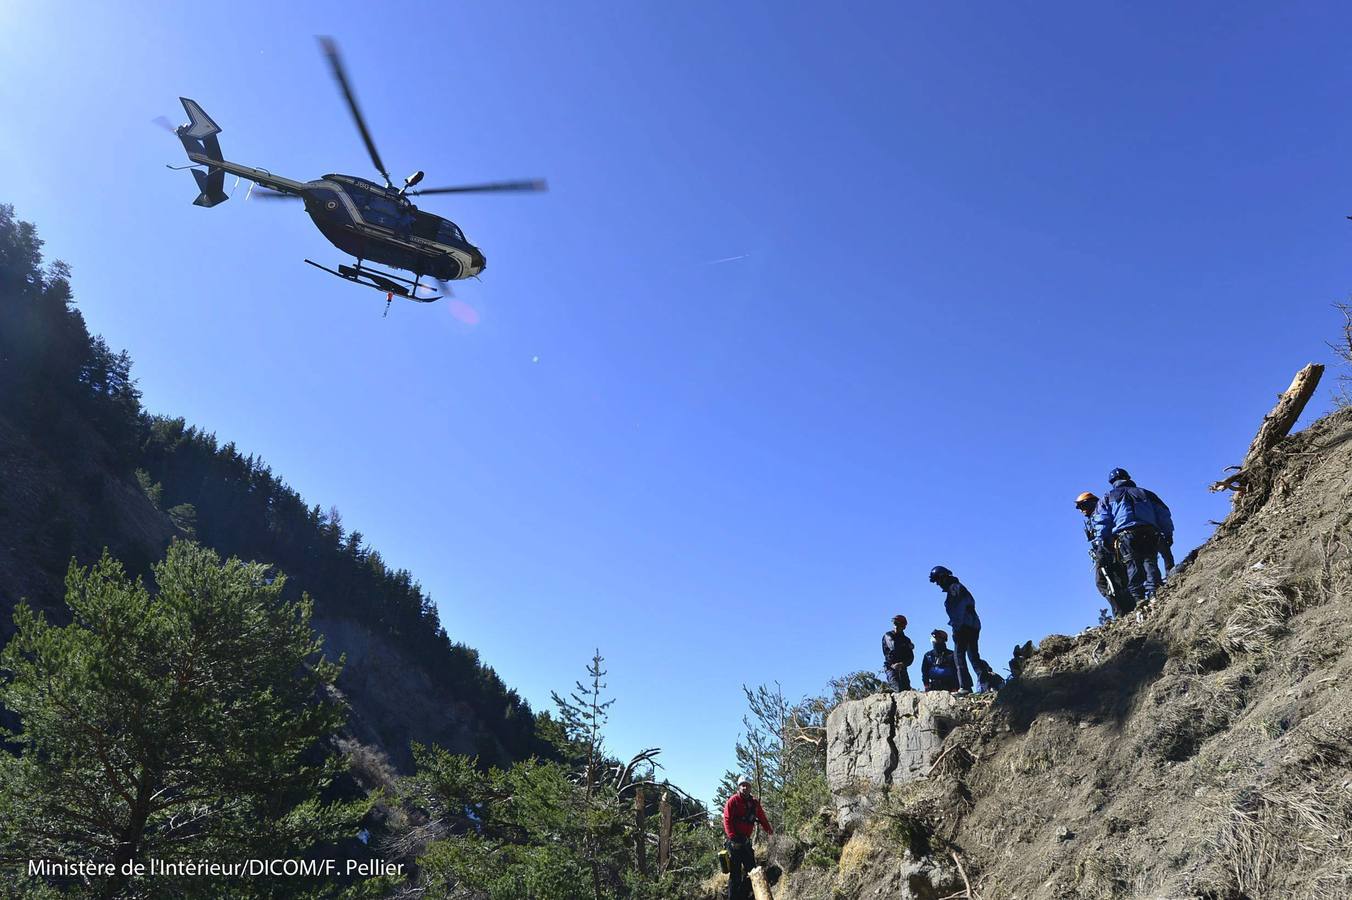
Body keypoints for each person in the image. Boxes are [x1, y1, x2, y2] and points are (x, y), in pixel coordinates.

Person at [1092, 468, 1174, 607]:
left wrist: (1103, 540)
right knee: (1150, 562)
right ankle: (1154, 593)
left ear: (1112, 482)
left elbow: (1102, 520)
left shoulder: (1108, 497)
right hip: (1149, 532)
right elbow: (1163, 513)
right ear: (1128, 478)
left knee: (1133, 566)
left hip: (1126, 535)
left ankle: (1139, 600)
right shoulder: (1146, 493)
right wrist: (1168, 533)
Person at [928, 566, 988, 695]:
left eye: (938, 581)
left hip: (965, 626)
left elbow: (959, 609)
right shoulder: (958, 587)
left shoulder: (954, 588)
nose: (938, 584)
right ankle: (985, 685)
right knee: (973, 656)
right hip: (973, 625)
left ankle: (965, 687)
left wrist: (957, 628)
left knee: (959, 656)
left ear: (943, 577)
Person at [1075, 491, 1133, 617]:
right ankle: (1122, 611)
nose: (1081, 511)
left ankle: (1123, 612)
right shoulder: (1095, 516)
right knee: (1106, 583)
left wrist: (1102, 551)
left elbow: (1104, 533)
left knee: (1114, 582)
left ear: (1089, 503)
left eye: (1082, 506)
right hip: (1104, 552)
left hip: (1110, 552)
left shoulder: (1099, 512)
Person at [722, 779, 774, 900]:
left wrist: (770, 832)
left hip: (745, 842)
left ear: (750, 787)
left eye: (747, 785)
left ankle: (752, 896)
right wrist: (732, 837)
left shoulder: (754, 803)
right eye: (742, 785)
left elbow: (762, 818)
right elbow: (727, 819)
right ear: (739, 787)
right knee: (735, 875)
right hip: (734, 843)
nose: (745, 788)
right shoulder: (733, 801)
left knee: (752, 871)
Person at [882, 614, 915, 691]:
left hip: (902, 668)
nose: (896, 626)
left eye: (898, 624)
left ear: (904, 626)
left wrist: (903, 664)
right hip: (891, 668)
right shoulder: (888, 635)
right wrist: (907, 646)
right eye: (895, 624)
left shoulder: (906, 639)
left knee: (906, 691)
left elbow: (910, 657)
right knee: (897, 688)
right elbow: (893, 647)